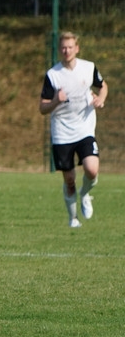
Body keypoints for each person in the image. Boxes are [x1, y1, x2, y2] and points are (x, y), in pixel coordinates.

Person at [39, 31, 108, 227]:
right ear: (59, 50)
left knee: (92, 169)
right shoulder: (53, 75)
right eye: (63, 47)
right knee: (69, 180)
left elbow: (103, 86)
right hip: (62, 132)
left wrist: (100, 99)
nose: (66, 51)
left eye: (70, 47)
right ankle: (73, 219)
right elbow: (42, 108)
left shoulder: (88, 68)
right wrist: (55, 101)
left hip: (85, 128)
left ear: (76, 48)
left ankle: (85, 194)